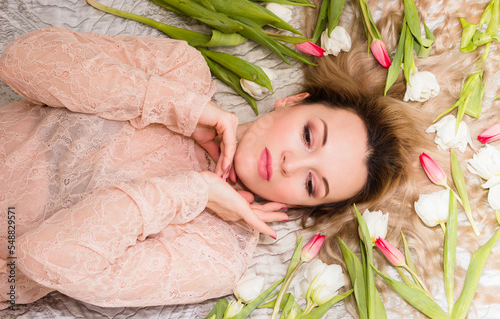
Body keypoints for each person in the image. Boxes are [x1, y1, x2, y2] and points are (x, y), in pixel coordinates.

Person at [0, 26, 405, 309]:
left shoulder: (217, 255)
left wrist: (194, 192)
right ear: (294, 102)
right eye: (308, 136)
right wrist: (178, 107)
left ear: (303, 207)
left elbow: (40, 258)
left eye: (312, 183)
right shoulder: (181, 72)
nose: (290, 164)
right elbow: (18, 61)